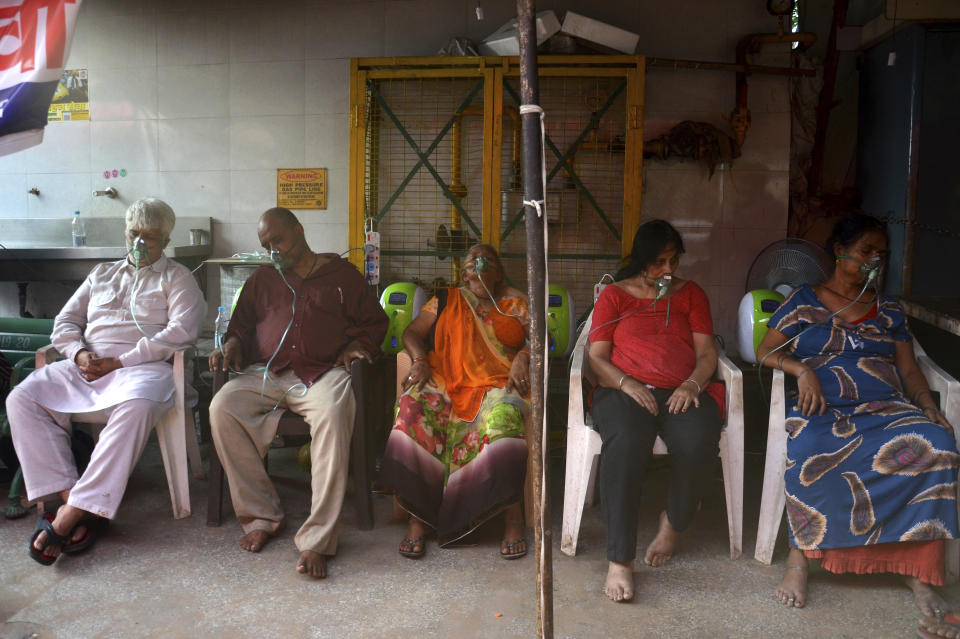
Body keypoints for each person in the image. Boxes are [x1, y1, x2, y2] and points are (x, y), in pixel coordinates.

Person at [756, 213, 957, 618]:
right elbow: (764, 351)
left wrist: (929, 406)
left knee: (938, 445)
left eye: (880, 255)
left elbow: (910, 370)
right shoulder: (803, 301)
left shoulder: (889, 311)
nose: (873, 262)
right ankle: (801, 557)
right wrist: (802, 369)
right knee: (812, 446)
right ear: (840, 251)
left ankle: (914, 568)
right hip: (823, 407)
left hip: (885, 406)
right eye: (866, 252)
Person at [6, 198, 205, 564]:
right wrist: (80, 355)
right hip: (89, 366)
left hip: (141, 370)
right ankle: (76, 499)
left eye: (151, 236)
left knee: (138, 405)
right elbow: (64, 324)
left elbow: (182, 333)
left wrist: (121, 361)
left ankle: (68, 515)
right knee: (23, 397)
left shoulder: (177, 278)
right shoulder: (101, 274)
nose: (141, 243)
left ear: (167, 238)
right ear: (125, 232)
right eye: (134, 233)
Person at [208, 207, 387, 580]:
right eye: (265, 244)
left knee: (335, 412)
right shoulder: (262, 279)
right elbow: (238, 328)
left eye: (278, 240)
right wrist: (231, 346)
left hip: (322, 373)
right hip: (267, 373)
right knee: (222, 406)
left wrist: (357, 347)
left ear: (299, 231)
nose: (273, 250)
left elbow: (374, 323)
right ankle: (261, 514)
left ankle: (317, 540)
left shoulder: (342, 276)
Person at [587, 219, 724, 602]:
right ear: (641, 259)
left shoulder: (691, 294)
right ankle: (619, 561)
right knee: (627, 443)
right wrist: (625, 383)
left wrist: (691, 385)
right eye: (659, 262)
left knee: (699, 439)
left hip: (681, 389)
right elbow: (596, 357)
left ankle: (673, 522)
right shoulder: (615, 295)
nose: (668, 270)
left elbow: (707, 354)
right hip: (623, 390)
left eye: (673, 260)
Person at [378, 244, 531, 560]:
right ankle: (419, 516)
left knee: (503, 418)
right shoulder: (446, 299)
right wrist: (419, 358)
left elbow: (540, 342)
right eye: (470, 262)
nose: (476, 265)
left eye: (484, 259)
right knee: (412, 409)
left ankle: (512, 516)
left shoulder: (516, 303)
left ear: (499, 271)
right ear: (463, 273)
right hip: (446, 380)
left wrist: (524, 358)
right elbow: (411, 333)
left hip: (497, 384)